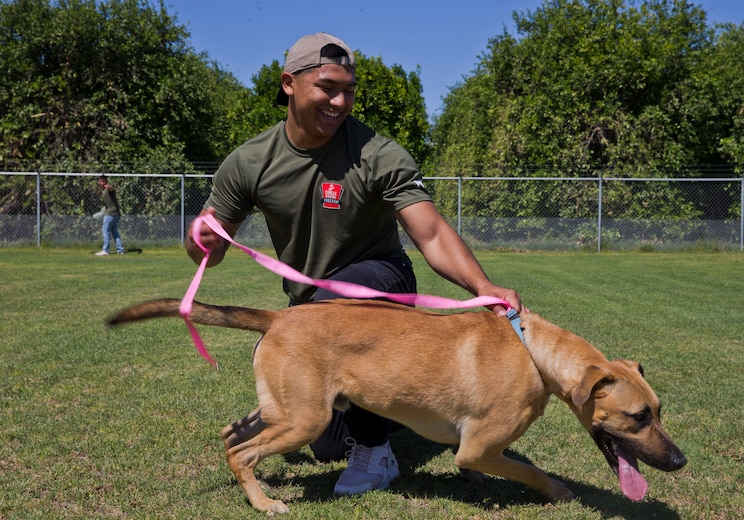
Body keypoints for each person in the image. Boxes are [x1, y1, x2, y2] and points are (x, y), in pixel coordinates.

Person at [185, 32, 523, 497]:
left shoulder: (378, 154)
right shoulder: (249, 162)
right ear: (289, 83)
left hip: (379, 281)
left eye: (349, 90)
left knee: (343, 307)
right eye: (327, 87)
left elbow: (431, 233)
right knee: (322, 441)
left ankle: (375, 452)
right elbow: (211, 249)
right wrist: (201, 239)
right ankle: (409, 412)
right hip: (312, 313)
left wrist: (483, 286)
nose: (340, 101)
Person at [96, 175, 124, 256]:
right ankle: (120, 250)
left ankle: (105, 250)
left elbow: (112, 189)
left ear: (106, 182)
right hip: (116, 213)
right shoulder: (103, 191)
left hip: (110, 214)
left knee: (105, 231)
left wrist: (109, 187)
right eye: (100, 181)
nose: (102, 183)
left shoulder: (108, 189)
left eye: (103, 181)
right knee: (114, 232)